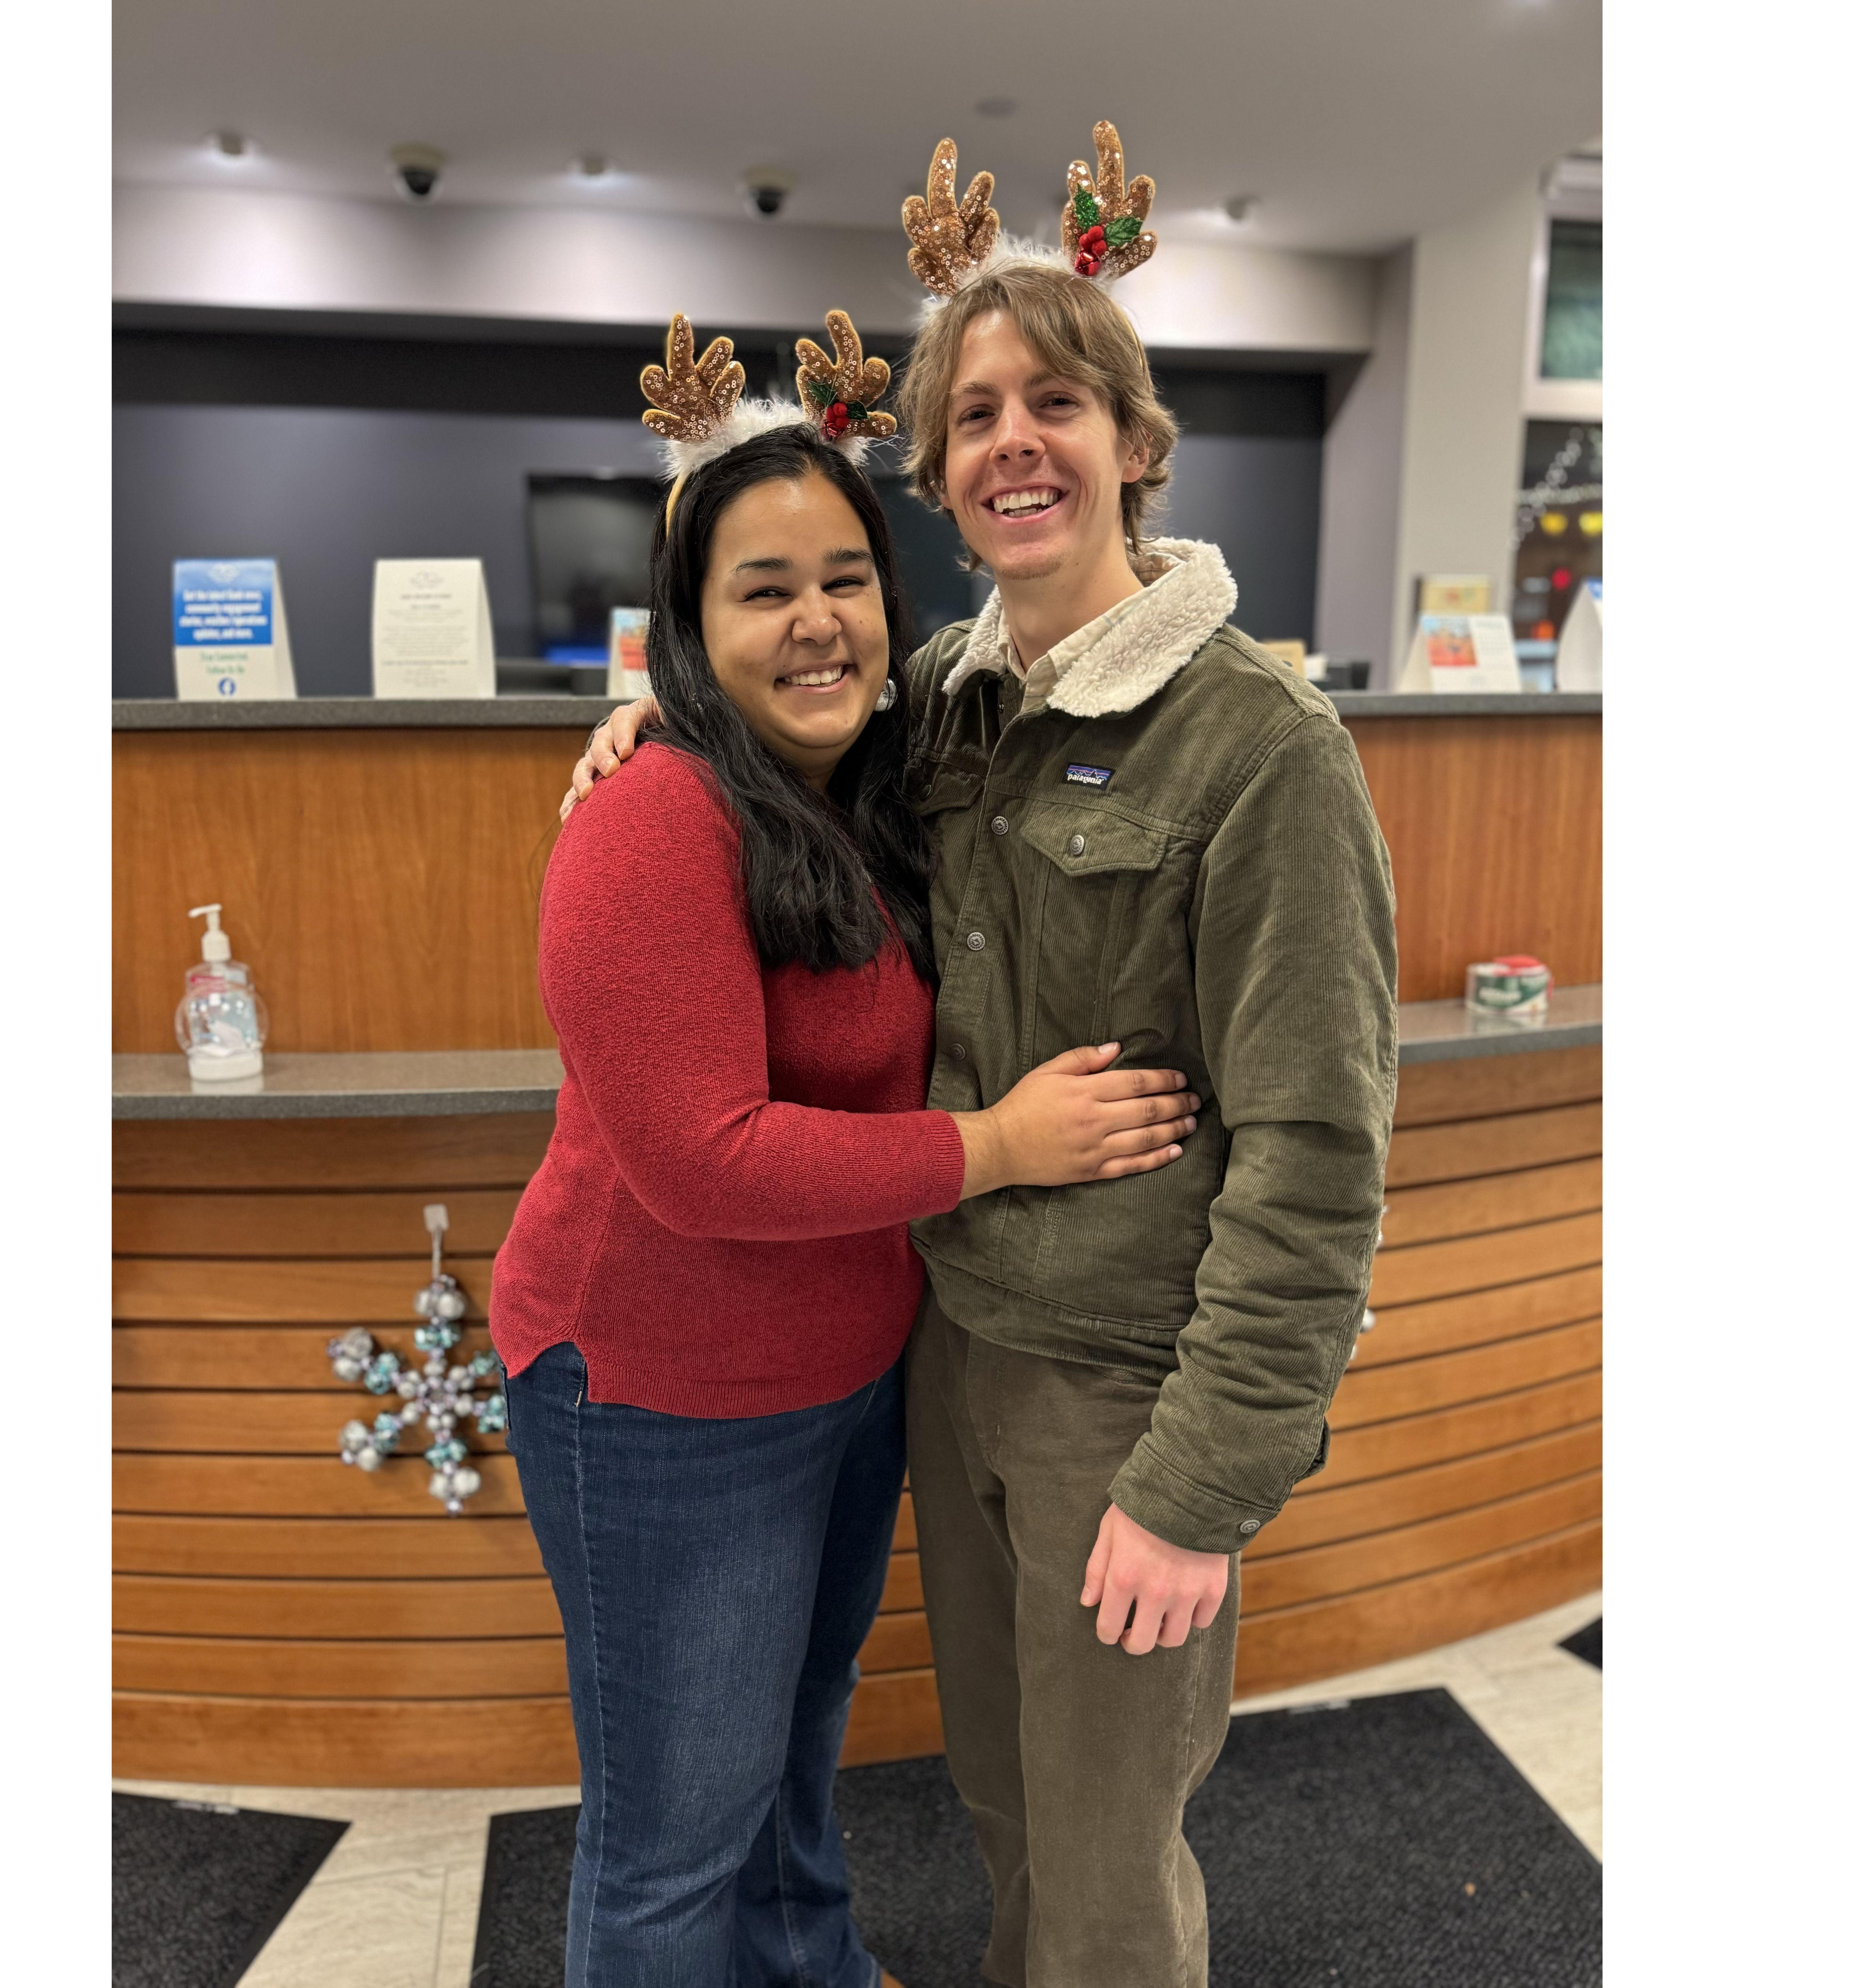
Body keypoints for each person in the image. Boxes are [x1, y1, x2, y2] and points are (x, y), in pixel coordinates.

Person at [564, 125, 1398, 1988]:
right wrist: (653, 715)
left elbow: (1321, 1153)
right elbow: (772, 705)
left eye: (1058, 403)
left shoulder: (1260, 746)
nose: (1017, 441)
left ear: (1135, 440)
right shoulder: (940, 702)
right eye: (975, 416)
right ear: (938, 477)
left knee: (1105, 1874)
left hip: (1127, 1390)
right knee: (1006, 1809)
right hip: (950, 1358)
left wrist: (1204, 1483)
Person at [491, 350, 1202, 1988]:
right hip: (660, 1399)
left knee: (793, 1763)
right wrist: (1000, 1149)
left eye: (844, 581)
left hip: (843, 1378)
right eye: (762, 592)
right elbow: (703, 1161)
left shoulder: (879, 789)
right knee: (673, 1843)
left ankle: (814, 1966)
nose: (815, 623)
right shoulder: (653, 823)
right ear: (690, 628)